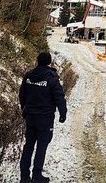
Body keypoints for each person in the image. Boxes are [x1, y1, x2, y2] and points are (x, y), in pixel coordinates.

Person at [19, 51, 67, 183]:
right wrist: (63, 113)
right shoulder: (52, 78)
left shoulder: (29, 76)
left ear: (38, 61)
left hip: (30, 116)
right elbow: (59, 96)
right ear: (49, 62)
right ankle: (36, 175)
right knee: (42, 145)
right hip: (45, 118)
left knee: (28, 145)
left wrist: (24, 108)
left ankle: (24, 177)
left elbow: (22, 94)